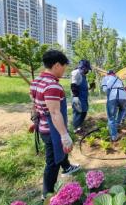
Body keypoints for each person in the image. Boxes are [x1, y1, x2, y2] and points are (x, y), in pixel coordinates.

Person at [30, 50, 80, 201]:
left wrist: (34, 119)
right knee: (52, 162)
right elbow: (55, 113)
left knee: (60, 153)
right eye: (64, 66)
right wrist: (64, 135)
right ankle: (47, 194)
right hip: (52, 130)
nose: (65, 69)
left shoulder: (36, 81)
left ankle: (67, 167)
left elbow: (34, 104)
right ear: (57, 65)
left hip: (44, 126)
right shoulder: (53, 86)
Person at [101, 70, 126, 141]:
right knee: (122, 109)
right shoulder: (118, 79)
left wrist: (109, 98)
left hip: (113, 96)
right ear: (114, 74)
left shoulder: (105, 78)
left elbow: (105, 90)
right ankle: (117, 123)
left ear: (108, 74)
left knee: (111, 116)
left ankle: (114, 136)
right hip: (124, 96)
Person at [71, 59, 92, 134]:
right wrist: (75, 97)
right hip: (78, 97)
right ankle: (75, 129)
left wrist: (90, 87)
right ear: (83, 67)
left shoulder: (83, 76)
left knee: (84, 112)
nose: (87, 71)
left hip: (84, 97)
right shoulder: (76, 73)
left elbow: (83, 87)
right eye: (87, 69)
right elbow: (73, 86)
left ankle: (79, 127)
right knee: (78, 113)